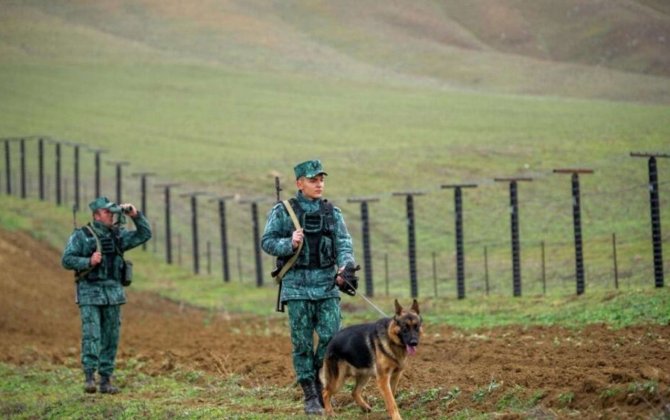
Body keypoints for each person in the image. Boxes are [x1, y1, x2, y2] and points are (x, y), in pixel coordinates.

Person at [261, 159, 356, 415]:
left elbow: (344, 244)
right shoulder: (283, 211)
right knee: (302, 343)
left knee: (331, 338)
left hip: (326, 285)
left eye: (321, 179)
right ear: (299, 183)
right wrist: (289, 243)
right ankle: (311, 393)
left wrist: (345, 268)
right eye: (313, 180)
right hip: (296, 287)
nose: (319, 184)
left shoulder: (332, 212)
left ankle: (319, 379)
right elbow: (267, 241)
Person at [61, 196, 151, 394]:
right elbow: (66, 259)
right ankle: (89, 377)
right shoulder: (82, 236)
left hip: (113, 293)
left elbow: (145, 234)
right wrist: (88, 262)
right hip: (90, 292)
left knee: (111, 337)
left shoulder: (118, 236)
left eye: (112, 212)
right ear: (96, 216)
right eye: (106, 212)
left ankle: (105, 380)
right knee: (91, 335)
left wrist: (135, 215)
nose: (111, 215)